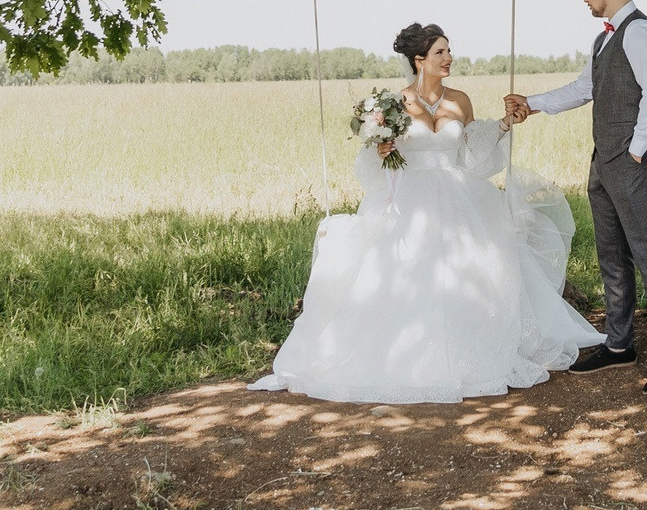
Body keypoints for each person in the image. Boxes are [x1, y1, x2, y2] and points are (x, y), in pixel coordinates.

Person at [253, 23, 602, 403]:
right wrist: (381, 152)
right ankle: (407, 356)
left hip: (459, 196)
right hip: (410, 198)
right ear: (419, 60)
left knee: (468, 269)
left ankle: (472, 349)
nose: (449, 58)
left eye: (449, 51)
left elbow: (470, 154)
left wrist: (503, 125)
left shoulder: (460, 101)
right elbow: (372, 163)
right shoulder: (391, 104)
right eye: (440, 52)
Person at [505, 0, 647, 394]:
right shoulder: (603, 40)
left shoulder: (639, 32)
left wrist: (637, 152)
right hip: (603, 161)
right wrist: (532, 102)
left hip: (630, 162)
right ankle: (620, 345)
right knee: (612, 255)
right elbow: (584, 89)